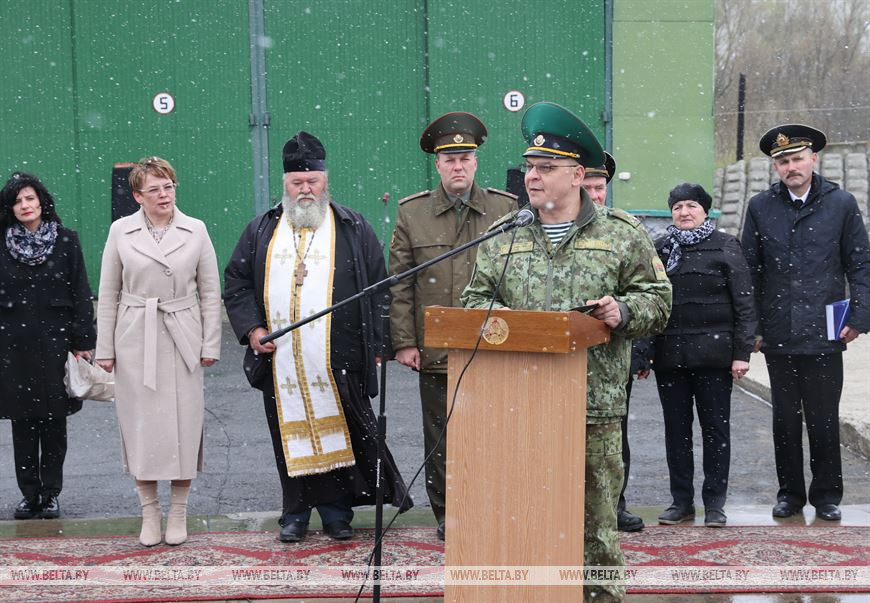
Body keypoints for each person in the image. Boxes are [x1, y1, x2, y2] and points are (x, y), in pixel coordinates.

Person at [461, 102, 672, 602]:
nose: (532, 177)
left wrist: (622, 312)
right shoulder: (503, 236)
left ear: (578, 175)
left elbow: (658, 301)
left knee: (594, 531)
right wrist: (500, 326)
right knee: (523, 524)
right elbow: (474, 304)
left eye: (546, 168)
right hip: (516, 404)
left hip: (592, 407)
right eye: (530, 167)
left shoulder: (620, 233)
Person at [223, 131, 412, 544]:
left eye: (312, 181)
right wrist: (253, 329)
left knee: (339, 431)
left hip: (338, 354)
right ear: (285, 185)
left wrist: (379, 345)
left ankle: (336, 513)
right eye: (297, 183)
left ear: (325, 181)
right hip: (281, 359)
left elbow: (380, 288)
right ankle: (295, 513)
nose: (305, 189)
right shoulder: (261, 230)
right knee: (288, 435)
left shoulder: (352, 226)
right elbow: (236, 282)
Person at [388, 112, 515, 540]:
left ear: (476, 162)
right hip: (436, 348)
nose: (458, 166)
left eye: (465, 158)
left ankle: (492, 503)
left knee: (492, 432)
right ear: (438, 165)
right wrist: (404, 342)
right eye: (450, 159)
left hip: (494, 345)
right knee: (441, 436)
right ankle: (449, 513)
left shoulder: (505, 209)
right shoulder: (413, 214)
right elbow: (400, 284)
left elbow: (518, 279)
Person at [742, 124, 870, 521]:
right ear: (775, 167)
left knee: (824, 419)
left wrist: (860, 317)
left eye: (797, 158)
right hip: (779, 333)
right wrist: (755, 328)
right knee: (784, 420)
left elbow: (860, 263)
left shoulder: (842, 204)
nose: (791, 166)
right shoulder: (761, 207)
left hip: (826, 330)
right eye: (783, 161)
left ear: (813, 159)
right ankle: (790, 495)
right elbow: (750, 271)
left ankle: (828, 495)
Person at [95, 157, 222, 547]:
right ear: (137, 195)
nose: (164, 195)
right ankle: (149, 512)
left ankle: (179, 511)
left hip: (183, 334)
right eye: (154, 189)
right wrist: (105, 348)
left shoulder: (196, 230)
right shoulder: (121, 231)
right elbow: (108, 292)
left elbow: (210, 292)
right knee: (142, 428)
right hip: (135, 335)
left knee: (183, 427)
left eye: (168, 186)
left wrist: (210, 343)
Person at [652, 183, 756, 528]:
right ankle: (681, 502)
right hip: (671, 359)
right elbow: (651, 303)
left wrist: (742, 353)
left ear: (704, 210)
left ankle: (714, 504)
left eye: (691, 206)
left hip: (715, 357)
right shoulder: (661, 249)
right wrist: (644, 356)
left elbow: (744, 302)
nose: (684, 212)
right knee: (676, 433)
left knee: (715, 431)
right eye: (678, 206)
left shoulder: (726, 245)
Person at [0, 172, 96, 520]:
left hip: (58, 346)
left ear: (42, 201)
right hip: (13, 347)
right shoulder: (1, 243)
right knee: (23, 424)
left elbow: (80, 292)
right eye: (18, 201)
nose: (25, 206)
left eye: (30, 198)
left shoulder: (66, 242)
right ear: (10, 208)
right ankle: (29, 494)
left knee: (55, 423)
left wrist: (84, 340)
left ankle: (51, 492)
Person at [583, 151, 646, 533]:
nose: (595, 194)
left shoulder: (624, 232)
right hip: (559, 355)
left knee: (613, 438)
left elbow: (645, 296)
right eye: (588, 187)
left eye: (600, 187)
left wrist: (621, 314)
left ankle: (614, 504)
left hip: (611, 357)